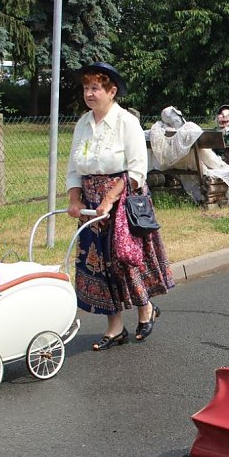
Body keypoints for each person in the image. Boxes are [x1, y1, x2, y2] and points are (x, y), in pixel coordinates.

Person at [66, 62, 174, 351]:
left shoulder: (126, 122)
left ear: (111, 91)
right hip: (92, 205)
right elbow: (74, 168)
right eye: (86, 88)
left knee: (126, 259)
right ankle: (115, 328)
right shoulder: (83, 123)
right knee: (98, 267)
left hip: (123, 202)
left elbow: (137, 171)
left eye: (95, 88)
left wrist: (109, 200)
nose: (89, 93)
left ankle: (145, 309)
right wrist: (75, 199)